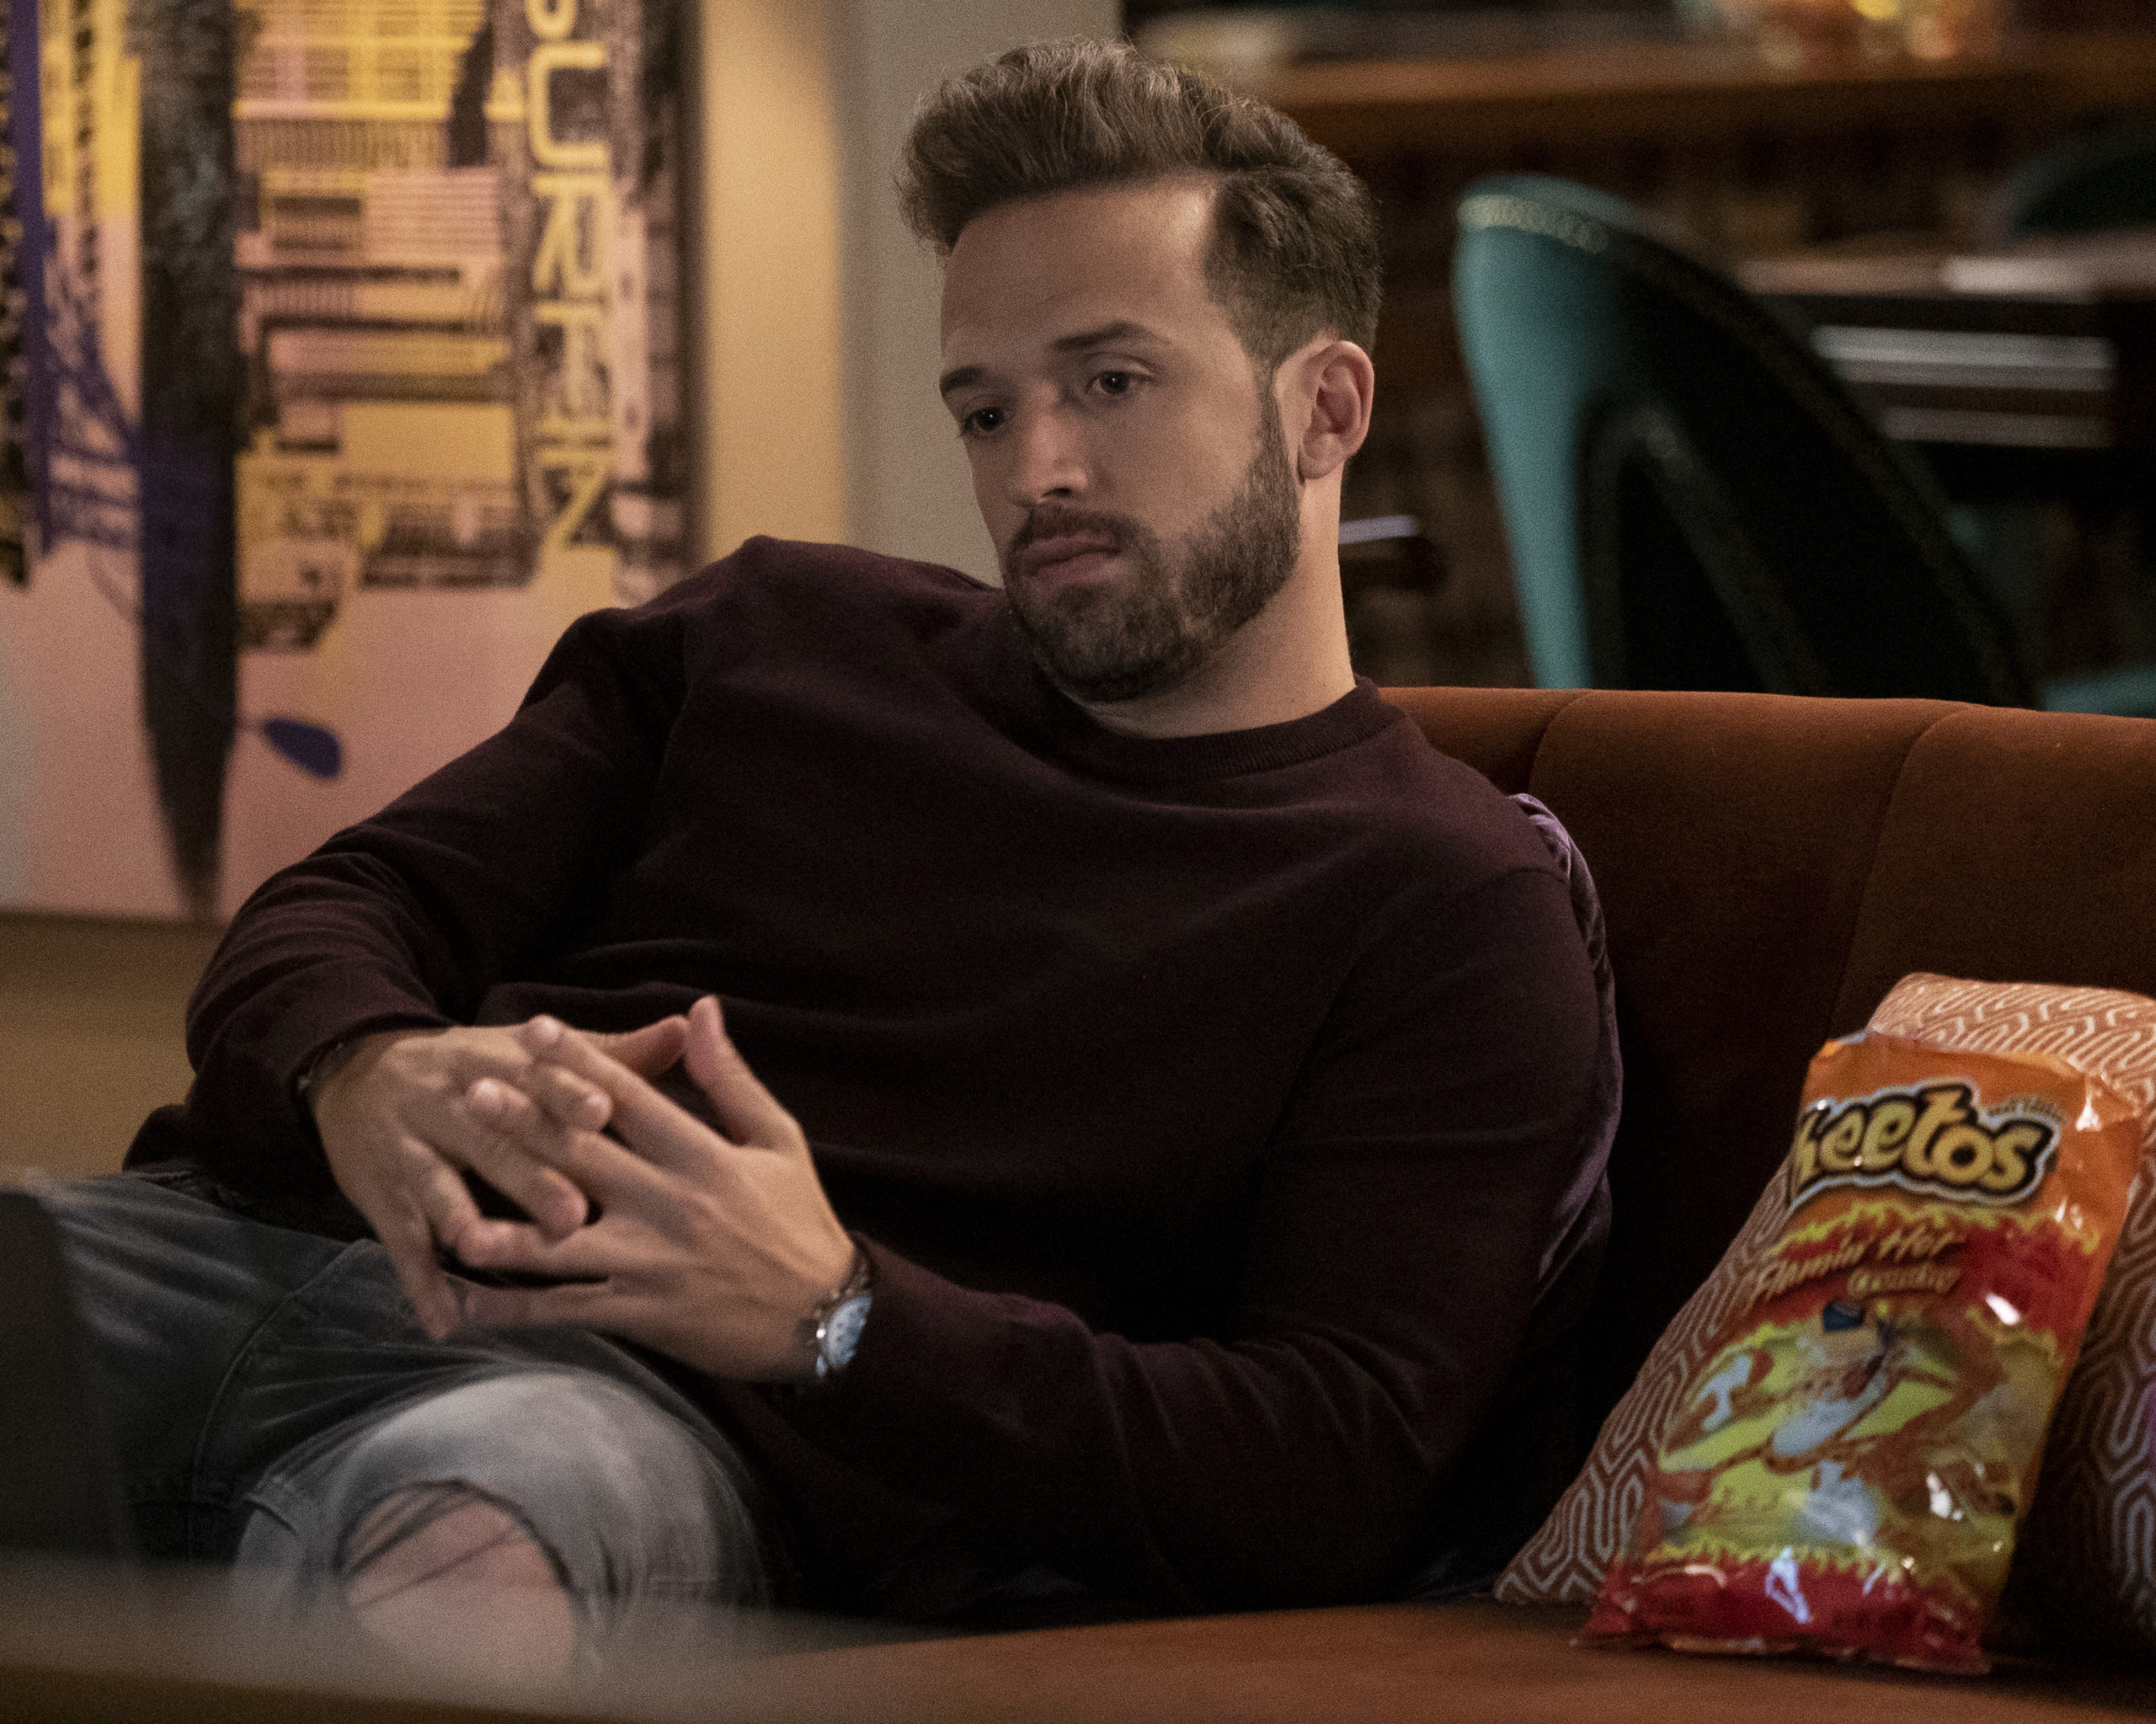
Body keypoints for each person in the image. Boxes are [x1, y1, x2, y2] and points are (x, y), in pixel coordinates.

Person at [41, 37, 1614, 1678]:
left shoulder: (1444, 905)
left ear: (1324, 408)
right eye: (986, 408)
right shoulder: (774, 631)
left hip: (630, 1413)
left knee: (473, 1559)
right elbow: (343, 906)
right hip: (238, 1249)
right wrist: (367, 1071)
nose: (1036, 470)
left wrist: (840, 1315)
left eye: (1111, 383)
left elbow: (1327, 1466)